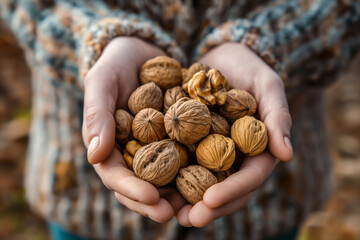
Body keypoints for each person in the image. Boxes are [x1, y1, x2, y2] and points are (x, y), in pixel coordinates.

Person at [1, 0, 359, 239]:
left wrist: (268, 43)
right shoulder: (153, 119)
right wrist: (96, 35)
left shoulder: (216, 122)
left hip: (268, 211)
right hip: (87, 209)